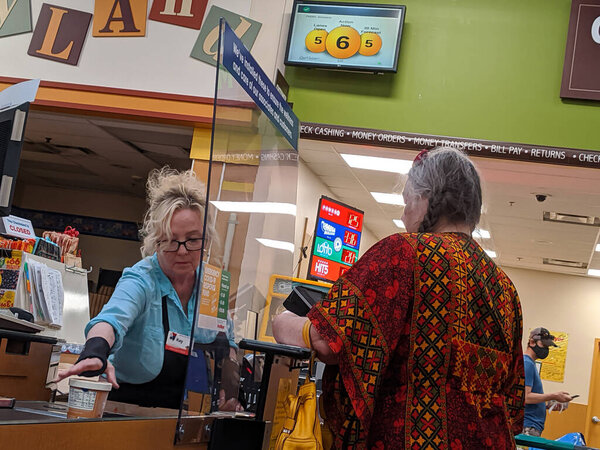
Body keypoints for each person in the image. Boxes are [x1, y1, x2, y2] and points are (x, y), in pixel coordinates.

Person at [273, 147, 525, 449]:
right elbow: (513, 398)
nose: (404, 216)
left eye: (407, 202)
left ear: (425, 197)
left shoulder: (403, 254)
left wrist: (283, 321)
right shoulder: (505, 289)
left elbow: (327, 341)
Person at [57, 168, 238, 410]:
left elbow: (228, 348)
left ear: (206, 240)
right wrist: (95, 351)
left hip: (187, 417)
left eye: (193, 240)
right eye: (172, 241)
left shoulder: (213, 285)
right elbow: (111, 320)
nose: (183, 250)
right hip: (128, 410)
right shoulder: (142, 279)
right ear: (156, 241)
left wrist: (231, 390)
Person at [522, 327, 572, 437]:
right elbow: (526, 397)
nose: (546, 349)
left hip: (532, 426)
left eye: (547, 347)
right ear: (532, 342)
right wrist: (554, 395)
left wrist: (546, 405)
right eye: (543, 345)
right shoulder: (527, 364)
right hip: (528, 426)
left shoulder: (530, 363)